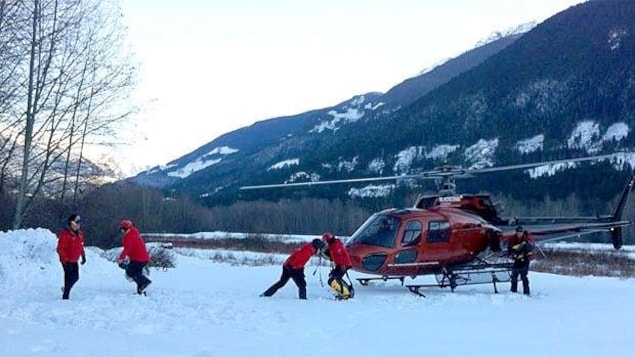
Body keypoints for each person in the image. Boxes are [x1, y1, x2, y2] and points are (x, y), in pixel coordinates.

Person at [260, 239, 325, 299]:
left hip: (288, 267)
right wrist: (297, 270)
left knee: (281, 283)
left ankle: (266, 294)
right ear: (317, 247)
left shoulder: (308, 249)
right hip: (292, 268)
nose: (320, 251)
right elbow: (296, 262)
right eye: (320, 249)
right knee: (302, 285)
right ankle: (303, 300)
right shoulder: (306, 252)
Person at [117, 219, 152, 295]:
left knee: (130, 272)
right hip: (142, 258)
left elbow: (127, 249)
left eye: (122, 229)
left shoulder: (129, 237)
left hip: (138, 259)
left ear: (125, 229)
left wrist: (121, 258)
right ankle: (141, 291)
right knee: (137, 273)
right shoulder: (135, 234)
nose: (121, 231)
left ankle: (145, 282)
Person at [56, 213, 87, 300]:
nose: (79, 224)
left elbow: (80, 246)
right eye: (77, 222)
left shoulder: (80, 234)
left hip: (74, 260)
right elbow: (60, 248)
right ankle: (65, 297)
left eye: (80, 222)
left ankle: (66, 288)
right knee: (68, 277)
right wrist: (64, 260)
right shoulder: (65, 234)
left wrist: (83, 255)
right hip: (67, 260)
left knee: (76, 277)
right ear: (72, 223)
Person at [321, 232, 354, 299]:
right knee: (333, 278)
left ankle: (345, 294)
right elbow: (333, 256)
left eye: (326, 241)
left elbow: (340, 255)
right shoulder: (333, 245)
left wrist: (343, 265)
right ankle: (345, 291)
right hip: (340, 264)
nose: (326, 242)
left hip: (343, 264)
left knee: (333, 280)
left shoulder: (335, 245)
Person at [508, 226, 535, 295]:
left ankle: (526, 292)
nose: (519, 234)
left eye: (521, 232)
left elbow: (530, 249)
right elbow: (510, 249)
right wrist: (512, 254)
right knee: (514, 276)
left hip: (524, 260)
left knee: (524, 276)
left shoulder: (527, 240)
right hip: (516, 260)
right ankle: (513, 291)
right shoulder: (512, 239)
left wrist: (523, 253)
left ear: (523, 232)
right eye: (518, 232)